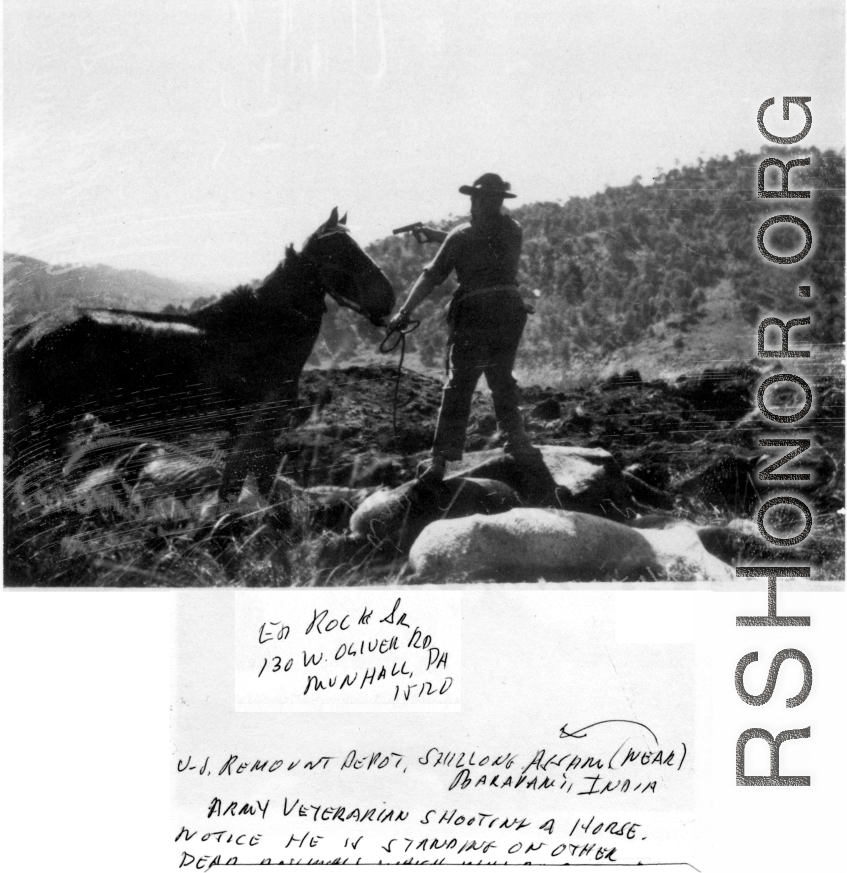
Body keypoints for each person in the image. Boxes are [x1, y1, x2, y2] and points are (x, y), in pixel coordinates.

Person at [388, 172, 539, 484]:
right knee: (501, 375)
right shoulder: (513, 230)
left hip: (475, 312)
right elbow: (478, 242)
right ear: (500, 201)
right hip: (509, 309)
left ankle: (441, 459)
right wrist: (440, 236)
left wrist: (405, 311)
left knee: (459, 384)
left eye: (477, 198)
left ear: (476, 199)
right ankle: (517, 438)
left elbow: (433, 275)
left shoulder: (460, 236)